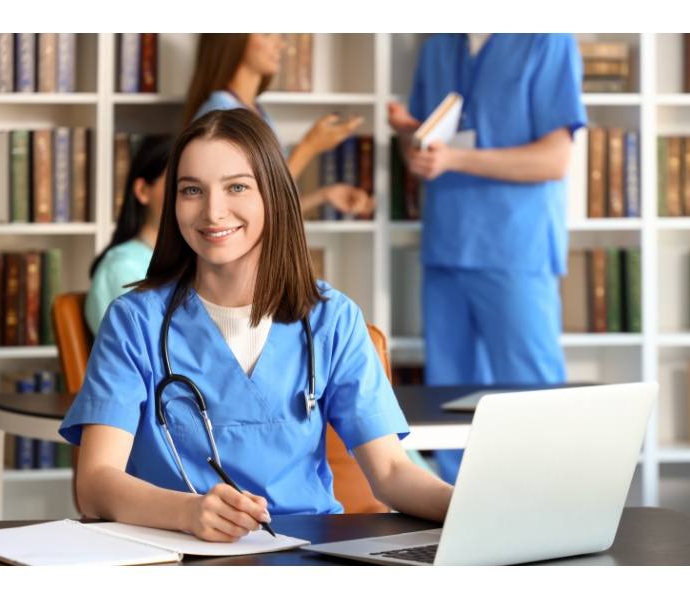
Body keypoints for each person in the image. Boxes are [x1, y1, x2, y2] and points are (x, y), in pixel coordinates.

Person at [60, 109, 452, 542]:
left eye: (237, 187)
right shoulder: (134, 321)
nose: (213, 211)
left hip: (311, 554)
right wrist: (188, 512)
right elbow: (94, 484)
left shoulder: (332, 319)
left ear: (274, 195)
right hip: (181, 550)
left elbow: (392, 472)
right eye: (191, 190)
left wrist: (467, 506)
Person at [388, 34, 587, 484]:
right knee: (447, 401)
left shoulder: (546, 38)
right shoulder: (439, 44)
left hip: (515, 248)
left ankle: (550, 501)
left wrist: (454, 159)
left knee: (534, 397)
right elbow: (423, 147)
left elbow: (554, 160)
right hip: (445, 245)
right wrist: (411, 142)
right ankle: (453, 512)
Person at [183, 33, 373, 219]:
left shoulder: (256, 111)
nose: (281, 44)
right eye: (267, 34)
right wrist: (309, 147)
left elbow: (268, 210)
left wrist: (324, 195)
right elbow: (254, 206)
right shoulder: (220, 112)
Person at [85, 135, 173, 336]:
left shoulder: (191, 262)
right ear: (142, 190)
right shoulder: (122, 268)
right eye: (175, 183)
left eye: (193, 188)